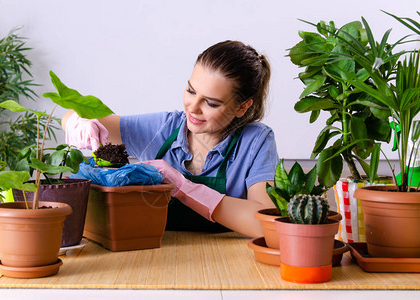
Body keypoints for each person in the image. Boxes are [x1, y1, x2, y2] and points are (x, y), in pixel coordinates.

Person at [62, 40, 279, 238]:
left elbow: (266, 224)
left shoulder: (256, 142)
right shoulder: (163, 128)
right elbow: (76, 112)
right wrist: (75, 122)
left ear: (242, 107)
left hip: (225, 260)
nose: (193, 108)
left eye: (211, 103)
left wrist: (184, 187)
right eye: (191, 91)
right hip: (155, 253)